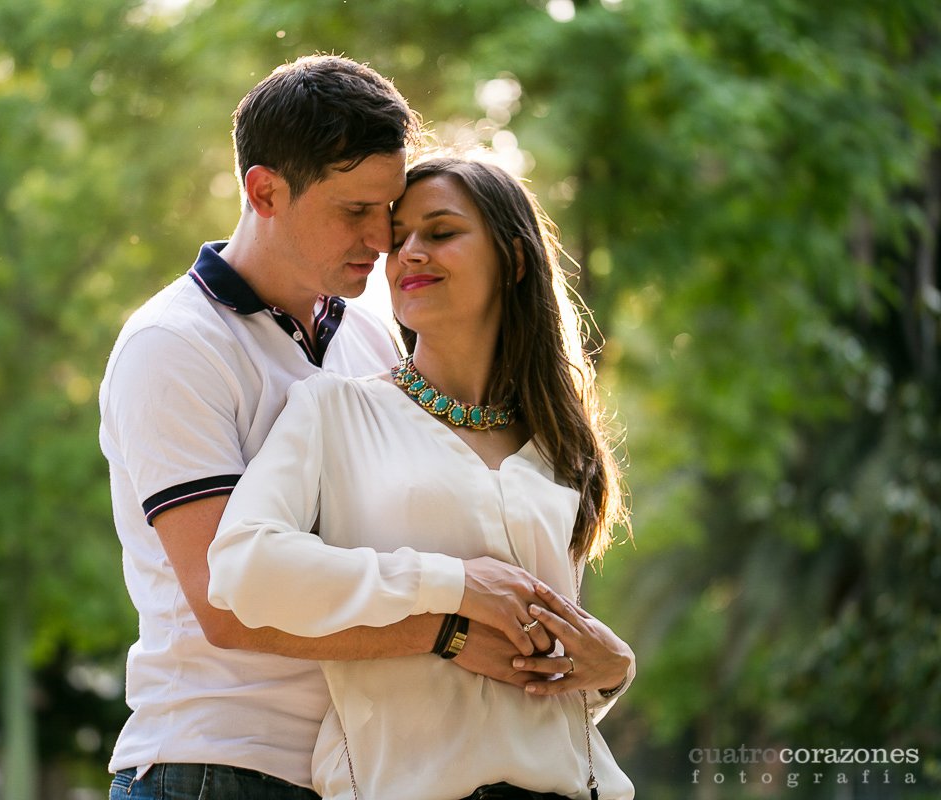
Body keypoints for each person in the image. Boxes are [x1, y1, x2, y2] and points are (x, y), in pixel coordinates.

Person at [100, 58, 564, 800]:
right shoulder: (175, 344)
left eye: (390, 208)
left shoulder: (375, 339)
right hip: (217, 766)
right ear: (264, 192)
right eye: (355, 211)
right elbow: (226, 605)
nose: (383, 238)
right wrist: (449, 629)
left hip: (356, 769)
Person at [207, 156, 637, 800]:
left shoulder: (561, 443)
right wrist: (454, 586)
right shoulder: (334, 409)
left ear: (514, 261)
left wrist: (610, 674)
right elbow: (242, 567)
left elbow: (533, 669)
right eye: (398, 236)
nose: (407, 253)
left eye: (440, 233)